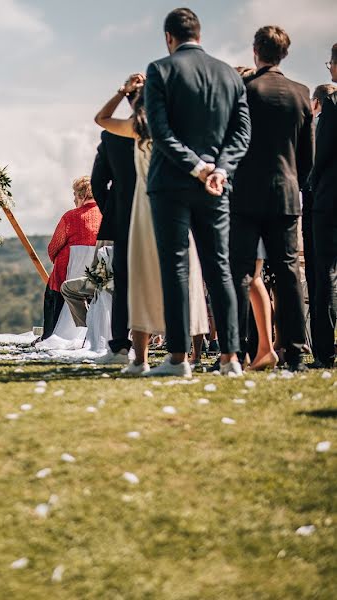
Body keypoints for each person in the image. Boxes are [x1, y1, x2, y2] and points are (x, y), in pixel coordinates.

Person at [143, 8, 251, 377]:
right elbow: (241, 134)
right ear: (199, 35)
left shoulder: (161, 70)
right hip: (215, 186)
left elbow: (160, 131)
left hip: (172, 182)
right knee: (219, 266)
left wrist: (197, 166)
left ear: (169, 38)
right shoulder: (229, 75)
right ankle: (231, 358)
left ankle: (177, 358)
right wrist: (219, 168)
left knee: (176, 267)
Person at [95, 74, 209, 375]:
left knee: (140, 280)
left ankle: (139, 357)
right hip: (178, 208)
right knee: (185, 277)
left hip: (142, 212)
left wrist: (122, 91)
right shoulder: (175, 129)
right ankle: (186, 354)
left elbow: (101, 118)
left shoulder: (137, 129)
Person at [230, 26, 313, 371]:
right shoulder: (301, 93)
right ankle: (293, 351)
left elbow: (231, 143)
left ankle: (240, 350)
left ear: (256, 51)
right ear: (285, 53)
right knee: (288, 273)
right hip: (286, 193)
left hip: (246, 194)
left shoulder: (244, 90)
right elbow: (307, 155)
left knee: (240, 273)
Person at [90, 124, 137, 364]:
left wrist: (114, 208)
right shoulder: (173, 126)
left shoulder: (113, 135)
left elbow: (97, 182)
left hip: (125, 220)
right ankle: (177, 351)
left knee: (124, 283)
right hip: (163, 215)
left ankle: (120, 346)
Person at [307, 44, 337, 368]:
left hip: (330, 199)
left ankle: (326, 351)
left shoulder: (331, 104)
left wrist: (312, 182)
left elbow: (323, 151)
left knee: (325, 273)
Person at [43, 176, 102, 339]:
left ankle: (49, 333)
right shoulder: (105, 215)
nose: (73, 199)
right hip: (99, 275)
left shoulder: (71, 217)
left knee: (51, 291)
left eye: (75, 194)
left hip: (66, 275)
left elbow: (53, 248)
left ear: (82, 195)